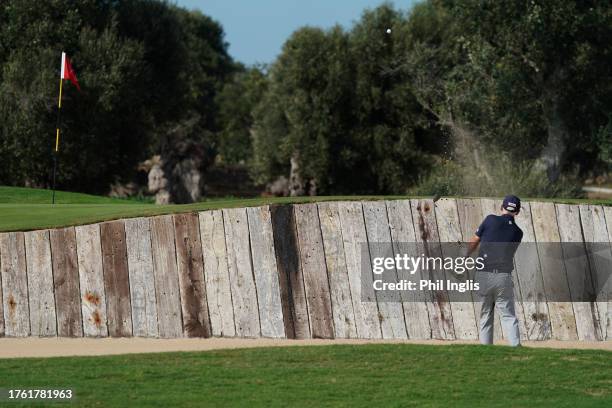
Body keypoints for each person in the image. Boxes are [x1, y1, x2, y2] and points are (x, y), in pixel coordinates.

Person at [467, 195, 523, 346]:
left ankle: (486, 351)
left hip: (483, 274)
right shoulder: (518, 233)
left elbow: (474, 242)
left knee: (485, 315)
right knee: (509, 317)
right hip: (503, 277)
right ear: (517, 212)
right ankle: (516, 351)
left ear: (501, 208)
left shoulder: (490, 219)